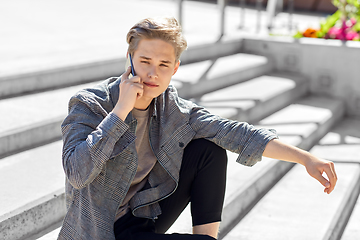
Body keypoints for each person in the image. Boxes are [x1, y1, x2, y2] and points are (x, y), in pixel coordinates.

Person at [58, 17, 337, 240]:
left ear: (175, 69)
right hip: (97, 230)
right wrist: (120, 112)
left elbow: (236, 133)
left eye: (163, 64)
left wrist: (305, 158)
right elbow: (77, 172)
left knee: (208, 150)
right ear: (130, 58)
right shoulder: (91, 103)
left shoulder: (171, 108)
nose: (153, 73)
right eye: (145, 61)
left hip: (143, 217)